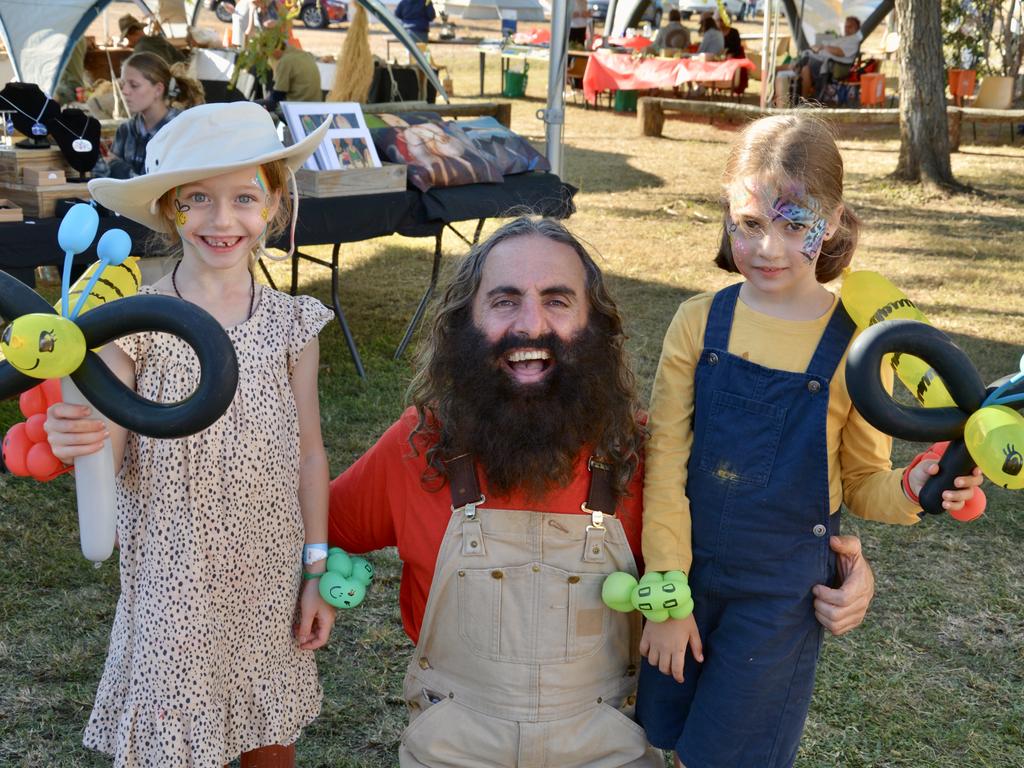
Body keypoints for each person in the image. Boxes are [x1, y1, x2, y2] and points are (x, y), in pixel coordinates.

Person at [326, 215, 877, 767]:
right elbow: (310, 529)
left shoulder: (647, 456)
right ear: (464, 323)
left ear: (596, 328)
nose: (531, 324)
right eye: (504, 300)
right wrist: (312, 574)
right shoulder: (419, 445)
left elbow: (742, 564)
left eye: (558, 301)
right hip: (452, 751)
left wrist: (838, 576)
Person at [634, 115, 985, 768]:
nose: (769, 247)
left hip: (779, 598)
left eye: (795, 225)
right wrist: (666, 593)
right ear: (726, 211)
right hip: (686, 573)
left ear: (833, 218)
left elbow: (861, 482)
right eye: (749, 223)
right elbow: (665, 469)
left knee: (727, 756)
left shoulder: (857, 343)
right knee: (665, 740)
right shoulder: (695, 323)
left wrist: (912, 488)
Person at [45, 101, 337, 768]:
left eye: (244, 197)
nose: (222, 219)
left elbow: (311, 452)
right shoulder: (132, 325)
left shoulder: (294, 326)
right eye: (198, 199)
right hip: (173, 583)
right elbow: (108, 448)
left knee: (269, 742)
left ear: (273, 204)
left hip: (267, 577)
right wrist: (77, 433)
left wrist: (315, 570)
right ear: (169, 208)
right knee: (172, 742)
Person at [99, 52, 203, 178]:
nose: (125, 91)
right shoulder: (125, 131)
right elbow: (108, 181)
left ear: (158, 89)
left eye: (134, 85)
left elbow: (160, 187)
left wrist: (117, 167)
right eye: (123, 84)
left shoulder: (181, 131)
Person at [794, 15, 862, 99]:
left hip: (831, 65)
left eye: (850, 26)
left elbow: (839, 52)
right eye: (846, 26)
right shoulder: (846, 38)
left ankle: (802, 96)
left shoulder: (853, 40)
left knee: (804, 66)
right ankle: (801, 96)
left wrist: (823, 47)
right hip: (821, 59)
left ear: (856, 28)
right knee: (804, 64)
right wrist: (819, 47)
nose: (846, 28)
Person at [262, 41, 323, 112]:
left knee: (259, 105)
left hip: (297, 107)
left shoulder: (285, 61)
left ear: (276, 49)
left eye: (268, 54)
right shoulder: (305, 54)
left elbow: (278, 94)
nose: (270, 57)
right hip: (316, 104)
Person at [118, 13, 186, 64]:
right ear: (141, 28)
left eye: (126, 38)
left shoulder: (140, 49)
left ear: (129, 35)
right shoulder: (161, 41)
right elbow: (182, 59)